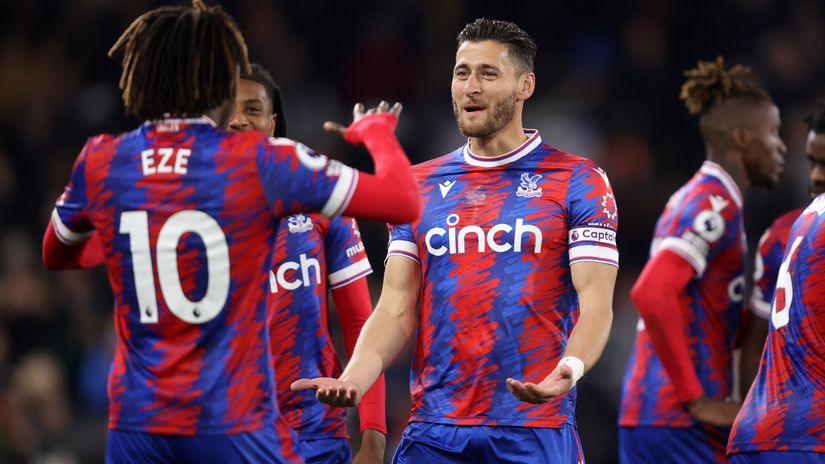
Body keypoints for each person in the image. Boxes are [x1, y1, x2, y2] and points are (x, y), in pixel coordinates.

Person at [40, 1, 420, 462]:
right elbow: (402, 200)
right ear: (217, 82)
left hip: (137, 425)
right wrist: (377, 131)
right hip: (230, 421)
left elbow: (56, 254)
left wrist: (127, 243)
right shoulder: (259, 162)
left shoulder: (102, 159)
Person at [293, 18, 619, 463]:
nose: (471, 87)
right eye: (462, 72)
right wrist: (354, 377)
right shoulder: (417, 185)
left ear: (525, 85)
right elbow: (395, 307)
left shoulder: (577, 179)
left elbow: (597, 303)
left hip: (534, 427)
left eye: (488, 73)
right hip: (435, 431)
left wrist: (571, 369)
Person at [618, 56, 786, 463]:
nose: (782, 146)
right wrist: (697, 400)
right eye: (774, 133)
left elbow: (699, 307)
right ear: (743, 139)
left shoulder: (703, 196)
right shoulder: (713, 202)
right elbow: (652, 292)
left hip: (653, 412)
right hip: (679, 420)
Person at [227, 64, 387, 464]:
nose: (237, 120)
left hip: (312, 434)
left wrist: (374, 437)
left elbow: (359, 324)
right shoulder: (183, 213)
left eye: (252, 109)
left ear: (272, 122)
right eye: (227, 108)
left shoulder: (318, 194)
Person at [726, 102, 825, 463]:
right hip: (809, 438)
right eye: (813, 163)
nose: (815, 176)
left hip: (763, 432)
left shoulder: (803, 221)